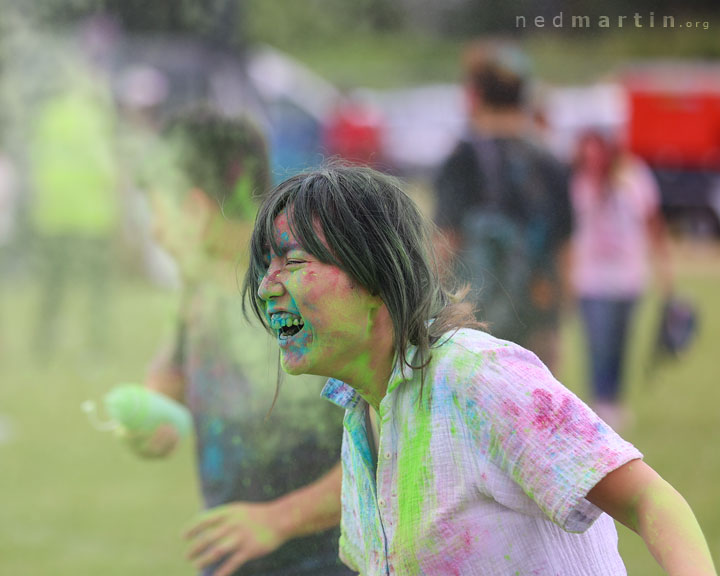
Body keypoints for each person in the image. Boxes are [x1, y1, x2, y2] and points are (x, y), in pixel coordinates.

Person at [242, 164, 716, 576]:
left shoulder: (478, 378)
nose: (266, 288)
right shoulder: (361, 416)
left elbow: (650, 500)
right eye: (267, 266)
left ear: (374, 272)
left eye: (294, 261)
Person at [125, 110, 352, 576]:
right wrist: (147, 412)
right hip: (234, 560)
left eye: (158, 210)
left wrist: (277, 521)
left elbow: (386, 450)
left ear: (194, 207)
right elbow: (168, 378)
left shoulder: (310, 294)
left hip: (328, 562)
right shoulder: (200, 284)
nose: (155, 232)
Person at [434, 40, 572, 372]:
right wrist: (556, 319)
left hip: (473, 318)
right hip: (536, 312)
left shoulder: (462, 157)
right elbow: (565, 250)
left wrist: (432, 308)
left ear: (475, 94)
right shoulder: (549, 161)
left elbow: (445, 242)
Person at [569, 129, 672, 431]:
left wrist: (664, 268)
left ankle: (613, 398)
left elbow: (653, 222)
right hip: (590, 278)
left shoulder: (633, 177)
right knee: (597, 341)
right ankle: (600, 400)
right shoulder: (576, 183)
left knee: (620, 341)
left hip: (628, 277)